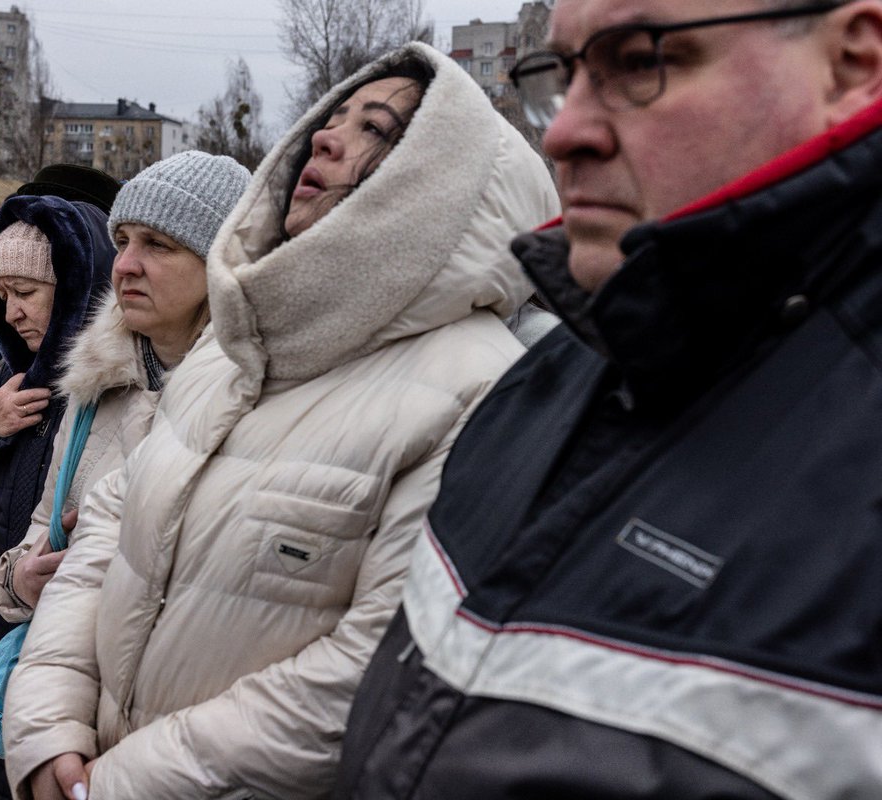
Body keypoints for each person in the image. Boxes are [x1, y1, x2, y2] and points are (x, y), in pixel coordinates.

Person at [334, 1, 882, 798]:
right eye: (563, 74)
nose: (564, 132)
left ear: (853, 65)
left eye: (639, 62)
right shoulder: (546, 378)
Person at [3, 42, 558, 799]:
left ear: (445, 180)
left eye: (378, 129)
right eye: (332, 117)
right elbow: (109, 528)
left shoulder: (482, 394)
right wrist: (50, 722)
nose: (326, 135)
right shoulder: (232, 355)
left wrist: (127, 782)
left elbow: (373, 670)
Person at [0, 151, 249, 625]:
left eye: (158, 244)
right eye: (123, 240)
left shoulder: (259, 401)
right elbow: (42, 527)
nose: (125, 264)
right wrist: (19, 582)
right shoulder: (92, 385)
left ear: (222, 262)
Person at [0, 181, 119, 800]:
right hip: (6, 624)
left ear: (73, 287)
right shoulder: (14, 383)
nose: (11, 313)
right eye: (2, 296)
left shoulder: (113, 393)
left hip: (74, 645)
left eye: (28, 293)